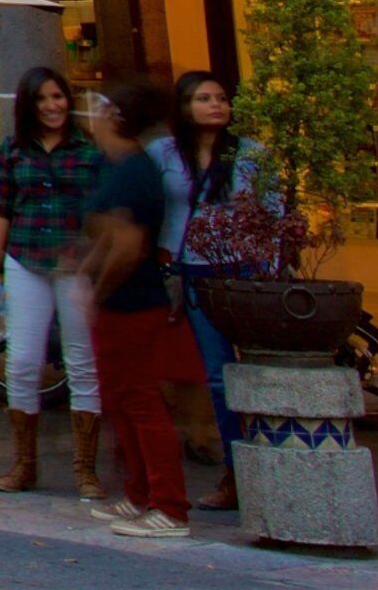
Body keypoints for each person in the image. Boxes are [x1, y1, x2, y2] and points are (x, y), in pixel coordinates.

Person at [83, 81, 202, 538]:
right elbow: (111, 234)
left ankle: (169, 506)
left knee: (141, 402)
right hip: (120, 301)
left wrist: (97, 288)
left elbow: (127, 245)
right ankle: (139, 493)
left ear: (113, 116)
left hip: (132, 302)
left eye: (96, 108)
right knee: (123, 401)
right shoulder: (121, 169)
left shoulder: (134, 173)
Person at [0, 66, 105, 498]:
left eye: (59, 97)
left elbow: (103, 212)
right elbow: (1, 208)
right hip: (25, 258)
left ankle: (85, 469)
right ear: (28, 106)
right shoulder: (13, 149)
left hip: (77, 266)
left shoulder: (90, 150)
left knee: (83, 360)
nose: (53, 106)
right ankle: (24, 463)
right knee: (22, 361)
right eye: (43, 99)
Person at [155, 70, 267, 513]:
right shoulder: (165, 153)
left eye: (221, 97)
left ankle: (265, 464)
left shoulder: (251, 155)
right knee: (219, 376)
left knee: (256, 371)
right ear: (184, 106)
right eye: (204, 98)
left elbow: (273, 210)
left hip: (245, 272)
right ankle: (235, 473)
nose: (216, 105)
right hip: (194, 271)